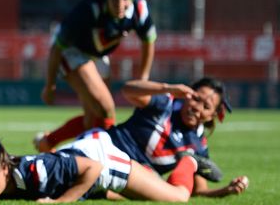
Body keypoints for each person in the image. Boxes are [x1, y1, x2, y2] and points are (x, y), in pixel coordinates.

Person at [37, 0, 156, 152]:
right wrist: (50, 85)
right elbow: (57, 47)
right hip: (71, 53)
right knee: (106, 106)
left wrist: (143, 78)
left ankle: (48, 142)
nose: (120, 3)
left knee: (93, 117)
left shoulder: (139, 11)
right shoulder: (89, 9)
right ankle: (107, 155)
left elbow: (148, 41)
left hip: (98, 56)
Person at [107, 77, 249, 198]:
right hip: (107, 150)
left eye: (206, 106)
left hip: (133, 175)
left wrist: (226, 190)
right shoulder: (166, 104)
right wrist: (167, 88)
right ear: (188, 94)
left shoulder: (199, 145)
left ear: (212, 116)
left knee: (167, 189)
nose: (197, 108)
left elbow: (199, 190)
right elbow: (127, 89)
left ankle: (106, 190)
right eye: (196, 98)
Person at [0, 131, 206, 202]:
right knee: (134, 196)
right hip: (86, 150)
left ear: (3, 169)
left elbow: (93, 168)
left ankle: (189, 160)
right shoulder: (9, 178)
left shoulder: (39, 170)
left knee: (177, 197)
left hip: (104, 163)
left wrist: (60, 203)